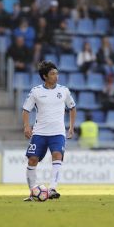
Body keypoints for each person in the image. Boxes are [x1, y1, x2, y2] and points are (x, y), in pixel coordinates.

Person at [22, 61, 76, 201]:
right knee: (32, 160)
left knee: (57, 155)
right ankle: (33, 191)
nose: (56, 76)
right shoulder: (36, 91)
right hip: (39, 132)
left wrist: (71, 127)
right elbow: (26, 109)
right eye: (52, 74)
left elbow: (72, 107)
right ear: (45, 76)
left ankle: (52, 188)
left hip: (58, 132)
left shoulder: (64, 90)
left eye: (56, 73)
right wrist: (27, 126)